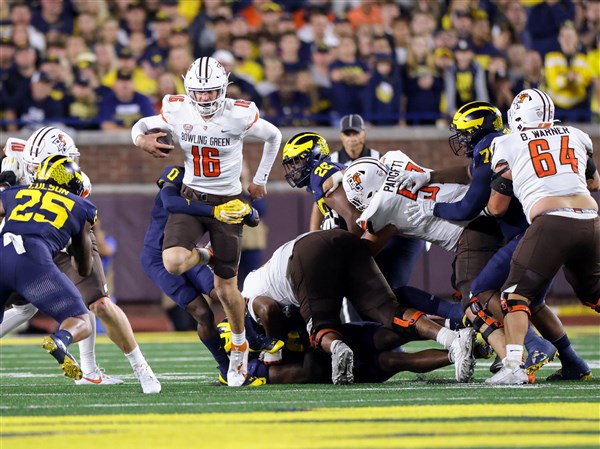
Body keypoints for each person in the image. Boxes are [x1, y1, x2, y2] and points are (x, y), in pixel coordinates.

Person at [396, 100, 592, 379]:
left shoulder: (494, 148)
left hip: (532, 234)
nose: (461, 139)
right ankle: (573, 362)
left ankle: (530, 349)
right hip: (551, 226)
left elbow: (467, 208)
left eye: (465, 132)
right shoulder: (502, 143)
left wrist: (432, 207)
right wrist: (430, 175)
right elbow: (470, 174)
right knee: (532, 303)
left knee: (481, 294)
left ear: (479, 130)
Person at [131, 56, 282, 386]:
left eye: (210, 92)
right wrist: (142, 140)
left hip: (229, 201)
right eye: (197, 93)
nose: (203, 100)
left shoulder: (239, 113)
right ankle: (206, 256)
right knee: (172, 262)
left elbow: (274, 136)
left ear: (223, 89)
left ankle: (241, 347)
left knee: (226, 291)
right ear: (188, 90)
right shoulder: (175, 109)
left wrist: (260, 179)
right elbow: (139, 126)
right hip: (192, 197)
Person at [0, 127, 161, 393]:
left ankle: (139, 369)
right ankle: (89, 369)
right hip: (31, 240)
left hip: (62, 235)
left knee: (97, 302)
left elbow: (80, 238)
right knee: (30, 307)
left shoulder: (53, 185)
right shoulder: (16, 157)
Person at [241, 229, 476, 384]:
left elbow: (267, 309)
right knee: (390, 312)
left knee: (322, 328)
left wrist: (275, 352)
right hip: (340, 241)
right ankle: (453, 340)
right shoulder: (260, 282)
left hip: (305, 257)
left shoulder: (247, 295)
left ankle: (337, 348)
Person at [486, 88, 599, 384]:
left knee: (514, 296)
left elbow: (497, 207)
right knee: (594, 295)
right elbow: (593, 181)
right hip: (591, 220)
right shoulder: (576, 134)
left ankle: (513, 367)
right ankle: (569, 365)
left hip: (551, 224)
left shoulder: (506, 142)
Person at [140, 165, 282, 385]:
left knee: (222, 291)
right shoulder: (178, 173)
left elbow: (252, 217)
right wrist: (214, 211)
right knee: (202, 312)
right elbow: (171, 202)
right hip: (158, 257)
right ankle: (225, 370)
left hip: (190, 251)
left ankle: (252, 338)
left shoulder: (217, 184)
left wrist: (248, 211)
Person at [0, 155, 93, 380]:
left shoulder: (14, 193)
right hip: (33, 261)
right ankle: (60, 339)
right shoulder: (81, 206)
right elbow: (83, 267)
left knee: (23, 306)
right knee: (82, 320)